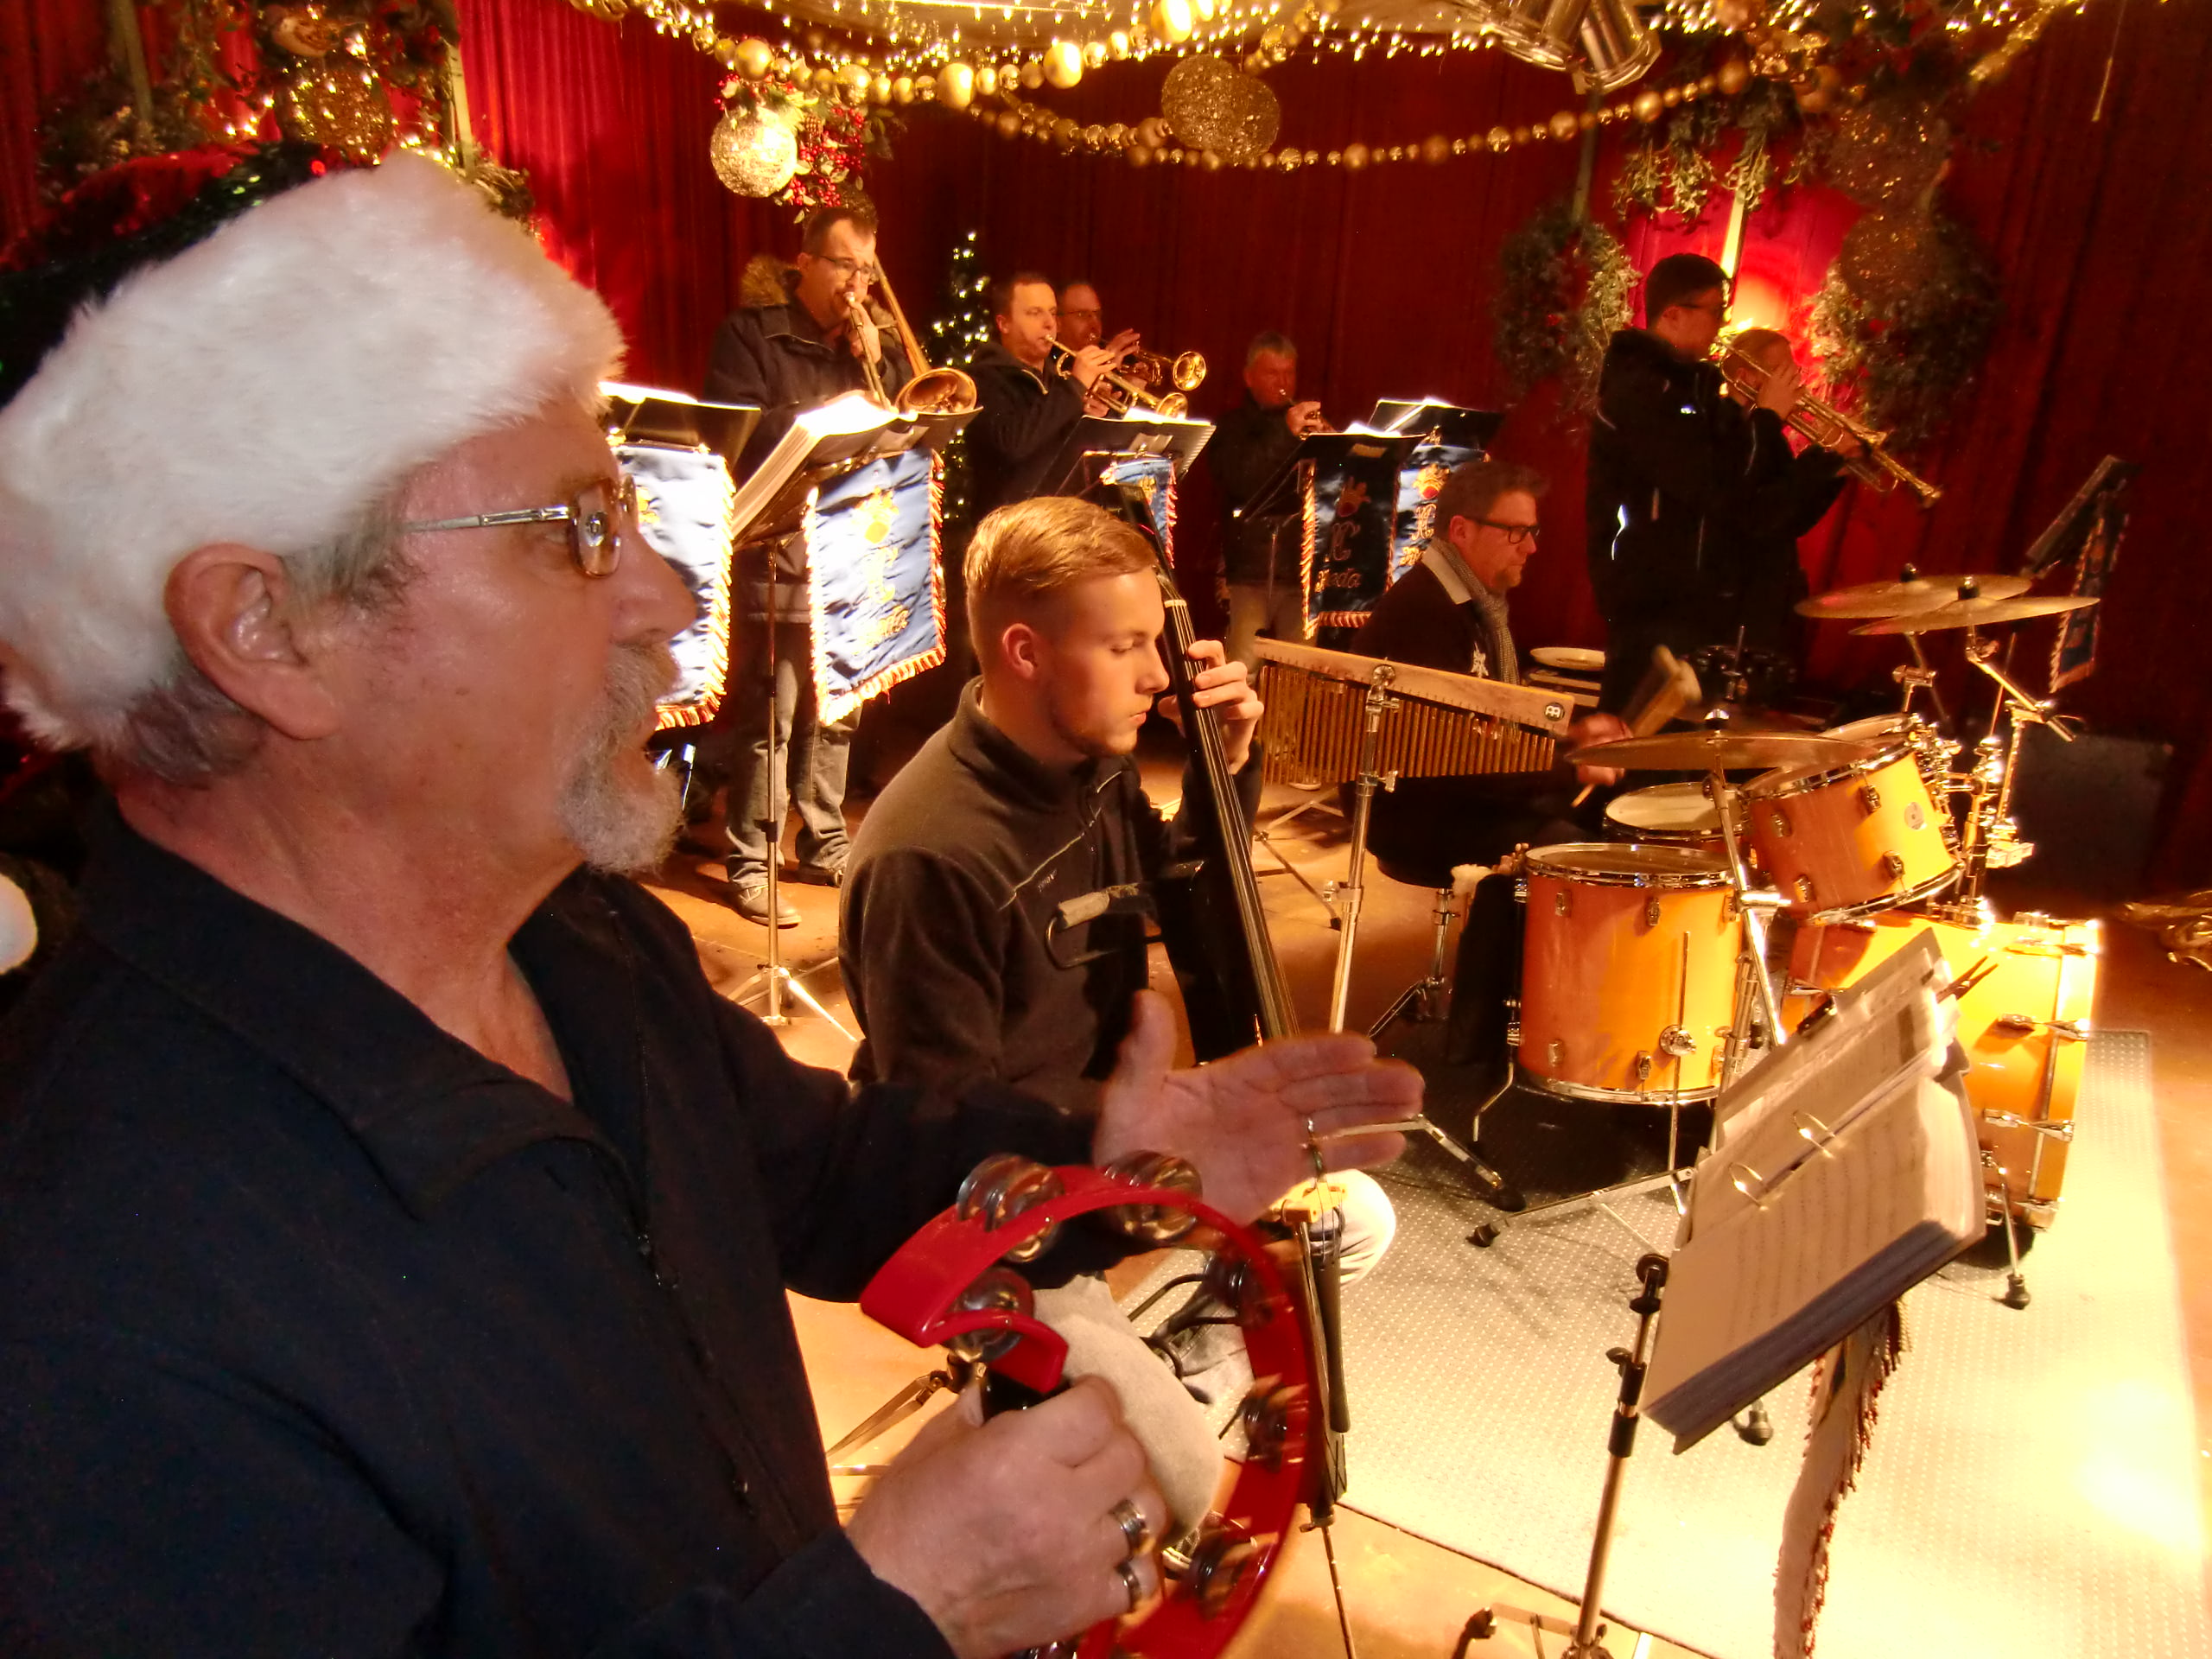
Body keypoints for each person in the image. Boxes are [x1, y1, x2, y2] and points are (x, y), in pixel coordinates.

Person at [0, 143, 1418, 1656]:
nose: (672, 601)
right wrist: (895, 1611)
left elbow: (815, 1172)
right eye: (577, 531)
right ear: (267, 631)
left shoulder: (579, 932)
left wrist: (1104, 1163)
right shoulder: (91, 1283)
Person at [839, 494, 1401, 1281]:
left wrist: (1225, 767)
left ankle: (1187, 1345)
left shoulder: (1092, 762)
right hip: (1014, 1195)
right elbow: (945, 1120)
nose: (1158, 674)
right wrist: (1147, 1148)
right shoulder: (928, 857)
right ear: (1026, 652)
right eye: (1124, 645)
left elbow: (1179, 886)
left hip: (1114, 1128)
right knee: (1123, 1348)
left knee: (1353, 1220)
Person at [1357, 459, 1628, 1073]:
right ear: (1462, 530)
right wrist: (1571, 765)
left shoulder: (1474, 603)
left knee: (1597, 828)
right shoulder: (1424, 614)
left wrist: (1572, 734)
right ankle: (1486, 1044)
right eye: (1516, 532)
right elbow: (1459, 758)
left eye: (1533, 532)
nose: (1531, 547)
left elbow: (1493, 727)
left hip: (1461, 793)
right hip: (1418, 812)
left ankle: (1528, 1023)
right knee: (1560, 853)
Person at [702, 203, 912, 923]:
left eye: (868, 270)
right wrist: (823, 420)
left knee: (840, 708)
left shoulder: (868, 343)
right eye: (847, 265)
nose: (859, 283)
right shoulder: (752, 335)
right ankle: (752, 859)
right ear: (806, 265)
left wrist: (880, 361)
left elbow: (904, 422)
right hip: (779, 544)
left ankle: (824, 842)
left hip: (855, 543)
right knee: (775, 712)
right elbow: (731, 432)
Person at [1585, 253, 1855, 713]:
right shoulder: (1641, 388)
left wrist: (1827, 464)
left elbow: (1759, 507)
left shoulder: (1696, 391)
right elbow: (1708, 485)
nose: (1721, 323)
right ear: (1673, 314)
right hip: (1652, 607)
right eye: (1714, 311)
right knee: (1638, 739)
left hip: (1706, 611)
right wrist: (1766, 417)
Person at [1206, 332, 1329, 671]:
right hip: (1251, 573)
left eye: (1289, 373)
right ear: (1249, 377)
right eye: (1273, 373)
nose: (1283, 382)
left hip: (1302, 572)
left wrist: (1330, 448)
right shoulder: (1230, 426)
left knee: (1298, 672)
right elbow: (1241, 480)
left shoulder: (1306, 427)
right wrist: (1286, 433)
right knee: (1242, 668)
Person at [968, 271, 1113, 517]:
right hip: (1011, 525)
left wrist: (1090, 418)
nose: (1049, 324)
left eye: (1053, 313)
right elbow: (1014, 444)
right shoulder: (981, 378)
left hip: (1062, 518)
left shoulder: (1058, 380)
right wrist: (1075, 387)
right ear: (1004, 324)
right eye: (1035, 313)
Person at [1054, 279, 1140, 365]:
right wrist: (1108, 367)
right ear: (1058, 323)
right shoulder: (1049, 366)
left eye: (1097, 314)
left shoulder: (1106, 350)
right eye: (1083, 315)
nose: (1094, 324)